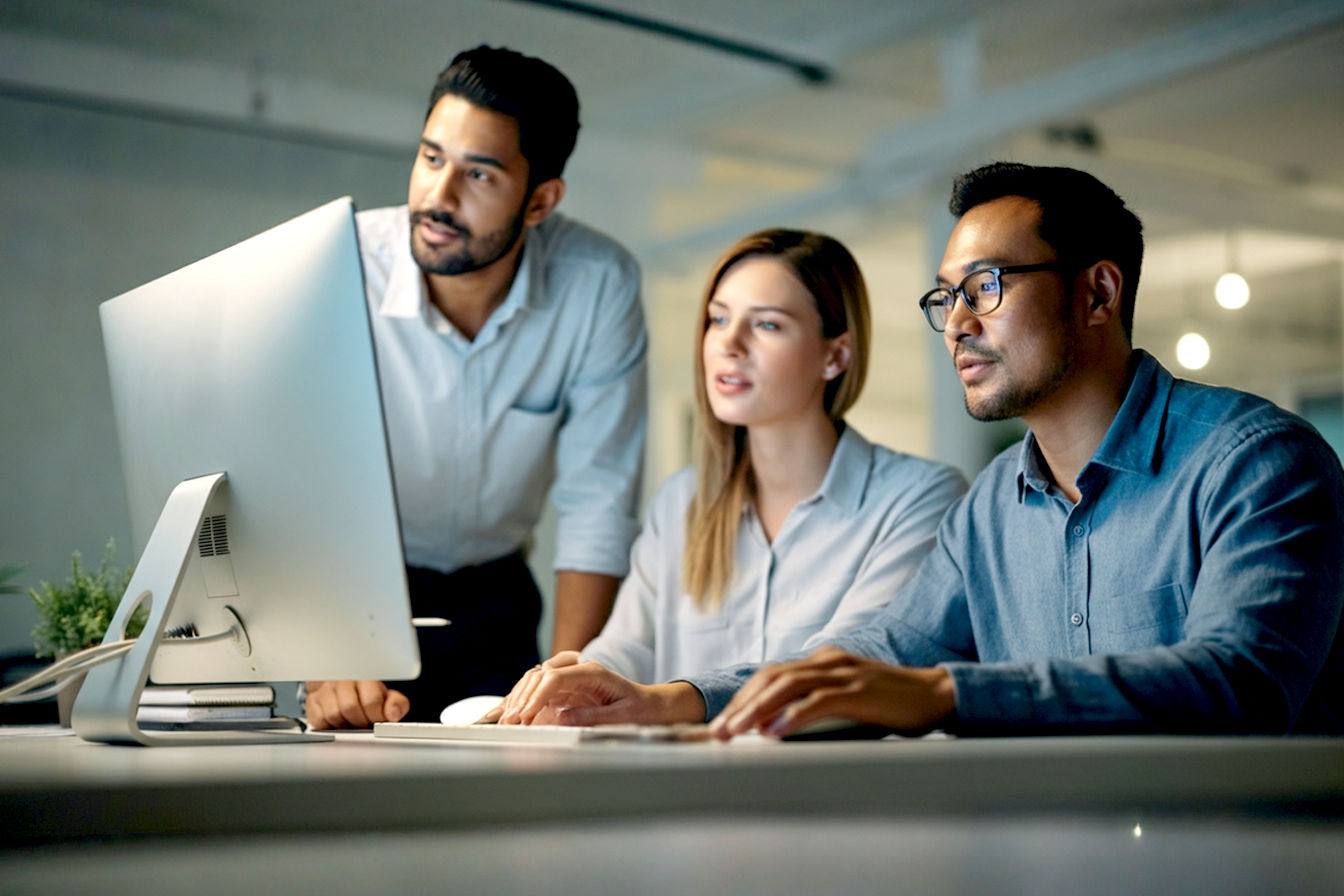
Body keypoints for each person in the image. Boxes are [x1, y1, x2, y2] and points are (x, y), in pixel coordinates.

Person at [498, 162, 1344, 737]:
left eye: (986, 287)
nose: (960, 324)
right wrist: (673, 699)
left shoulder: (1257, 462)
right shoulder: (988, 512)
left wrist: (945, 691)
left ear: (1098, 291)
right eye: (947, 297)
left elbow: (1242, 682)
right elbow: (880, 651)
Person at [490, 229, 965, 723]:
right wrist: (572, 683)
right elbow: (627, 647)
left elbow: (840, 670)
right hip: (691, 790)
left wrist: (670, 700)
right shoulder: (682, 501)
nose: (729, 344)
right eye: (718, 319)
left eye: (767, 325)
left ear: (836, 356)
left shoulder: (920, 499)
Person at [305, 46, 647, 728]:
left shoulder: (598, 283)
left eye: (479, 174)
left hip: (496, 595)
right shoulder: (336, 261)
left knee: (515, 794)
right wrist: (324, 657)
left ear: (540, 201)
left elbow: (598, 505)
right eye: (431, 158)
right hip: (352, 588)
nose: (439, 196)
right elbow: (296, 477)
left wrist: (566, 688)